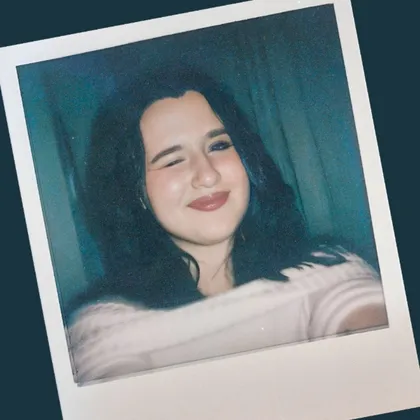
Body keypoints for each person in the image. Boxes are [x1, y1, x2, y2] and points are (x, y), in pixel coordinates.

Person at [66, 68, 387, 385]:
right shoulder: (103, 329)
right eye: (172, 160)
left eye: (219, 146)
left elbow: (359, 314)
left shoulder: (331, 270)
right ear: (135, 191)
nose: (208, 175)